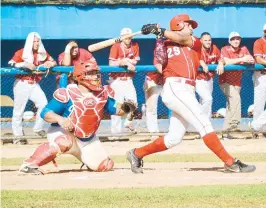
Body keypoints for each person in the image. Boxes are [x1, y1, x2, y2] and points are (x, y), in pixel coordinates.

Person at [126, 14, 256, 174]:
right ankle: (230, 162)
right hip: (175, 87)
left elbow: (181, 39)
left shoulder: (195, 42)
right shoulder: (165, 43)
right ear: (179, 25)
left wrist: (160, 30)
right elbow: (159, 64)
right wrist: (159, 37)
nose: (192, 28)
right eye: (189, 25)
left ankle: (136, 154)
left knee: (174, 138)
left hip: (187, 89)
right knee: (204, 123)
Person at [19, 59, 137, 174]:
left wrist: (127, 108)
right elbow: (45, 112)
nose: (95, 76)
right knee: (65, 142)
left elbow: (117, 110)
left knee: (105, 166)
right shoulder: (68, 93)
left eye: (96, 73)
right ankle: (29, 164)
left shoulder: (102, 94)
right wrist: (60, 119)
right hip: (63, 133)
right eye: (90, 74)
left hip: (86, 139)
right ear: (79, 76)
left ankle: (85, 158)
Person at [8, 32, 57, 144]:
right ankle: (18, 137)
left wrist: (50, 63)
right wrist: (24, 64)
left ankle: (38, 128)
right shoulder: (22, 52)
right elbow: (11, 63)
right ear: (30, 42)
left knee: (44, 104)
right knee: (18, 111)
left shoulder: (41, 53)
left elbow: (53, 61)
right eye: (34, 41)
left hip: (34, 83)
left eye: (37, 41)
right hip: (22, 83)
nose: (36, 43)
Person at [219, 32, 255, 139]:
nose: (236, 41)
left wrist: (247, 59)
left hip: (237, 82)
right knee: (236, 98)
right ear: (229, 41)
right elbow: (226, 61)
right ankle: (234, 124)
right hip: (225, 81)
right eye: (233, 39)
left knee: (230, 106)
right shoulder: (225, 49)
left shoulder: (243, 49)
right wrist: (242, 60)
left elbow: (251, 59)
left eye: (238, 39)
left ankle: (225, 133)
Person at [108, 28, 140, 134]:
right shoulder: (115, 46)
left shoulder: (135, 45)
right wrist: (122, 62)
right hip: (116, 81)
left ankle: (127, 123)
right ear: (121, 37)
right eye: (126, 36)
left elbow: (135, 60)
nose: (128, 38)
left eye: (130, 36)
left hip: (128, 80)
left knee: (134, 103)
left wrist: (130, 62)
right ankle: (115, 134)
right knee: (117, 107)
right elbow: (111, 64)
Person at [196, 32, 224, 119]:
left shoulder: (214, 48)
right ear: (201, 41)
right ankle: (203, 121)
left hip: (209, 79)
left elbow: (221, 58)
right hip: (198, 80)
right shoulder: (197, 48)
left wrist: (220, 63)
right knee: (208, 99)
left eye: (209, 40)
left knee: (204, 101)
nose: (208, 42)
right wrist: (202, 64)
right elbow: (197, 58)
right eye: (205, 40)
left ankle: (206, 123)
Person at [143, 39, 164, 137]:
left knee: (174, 104)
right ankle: (153, 132)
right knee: (151, 108)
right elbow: (159, 67)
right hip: (152, 81)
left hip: (164, 82)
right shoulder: (159, 54)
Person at [252, 23, 266, 139]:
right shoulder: (259, 42)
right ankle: (256, 130)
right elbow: (258, 59)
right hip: (261, 76)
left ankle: (257, 126)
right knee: (259, 103)